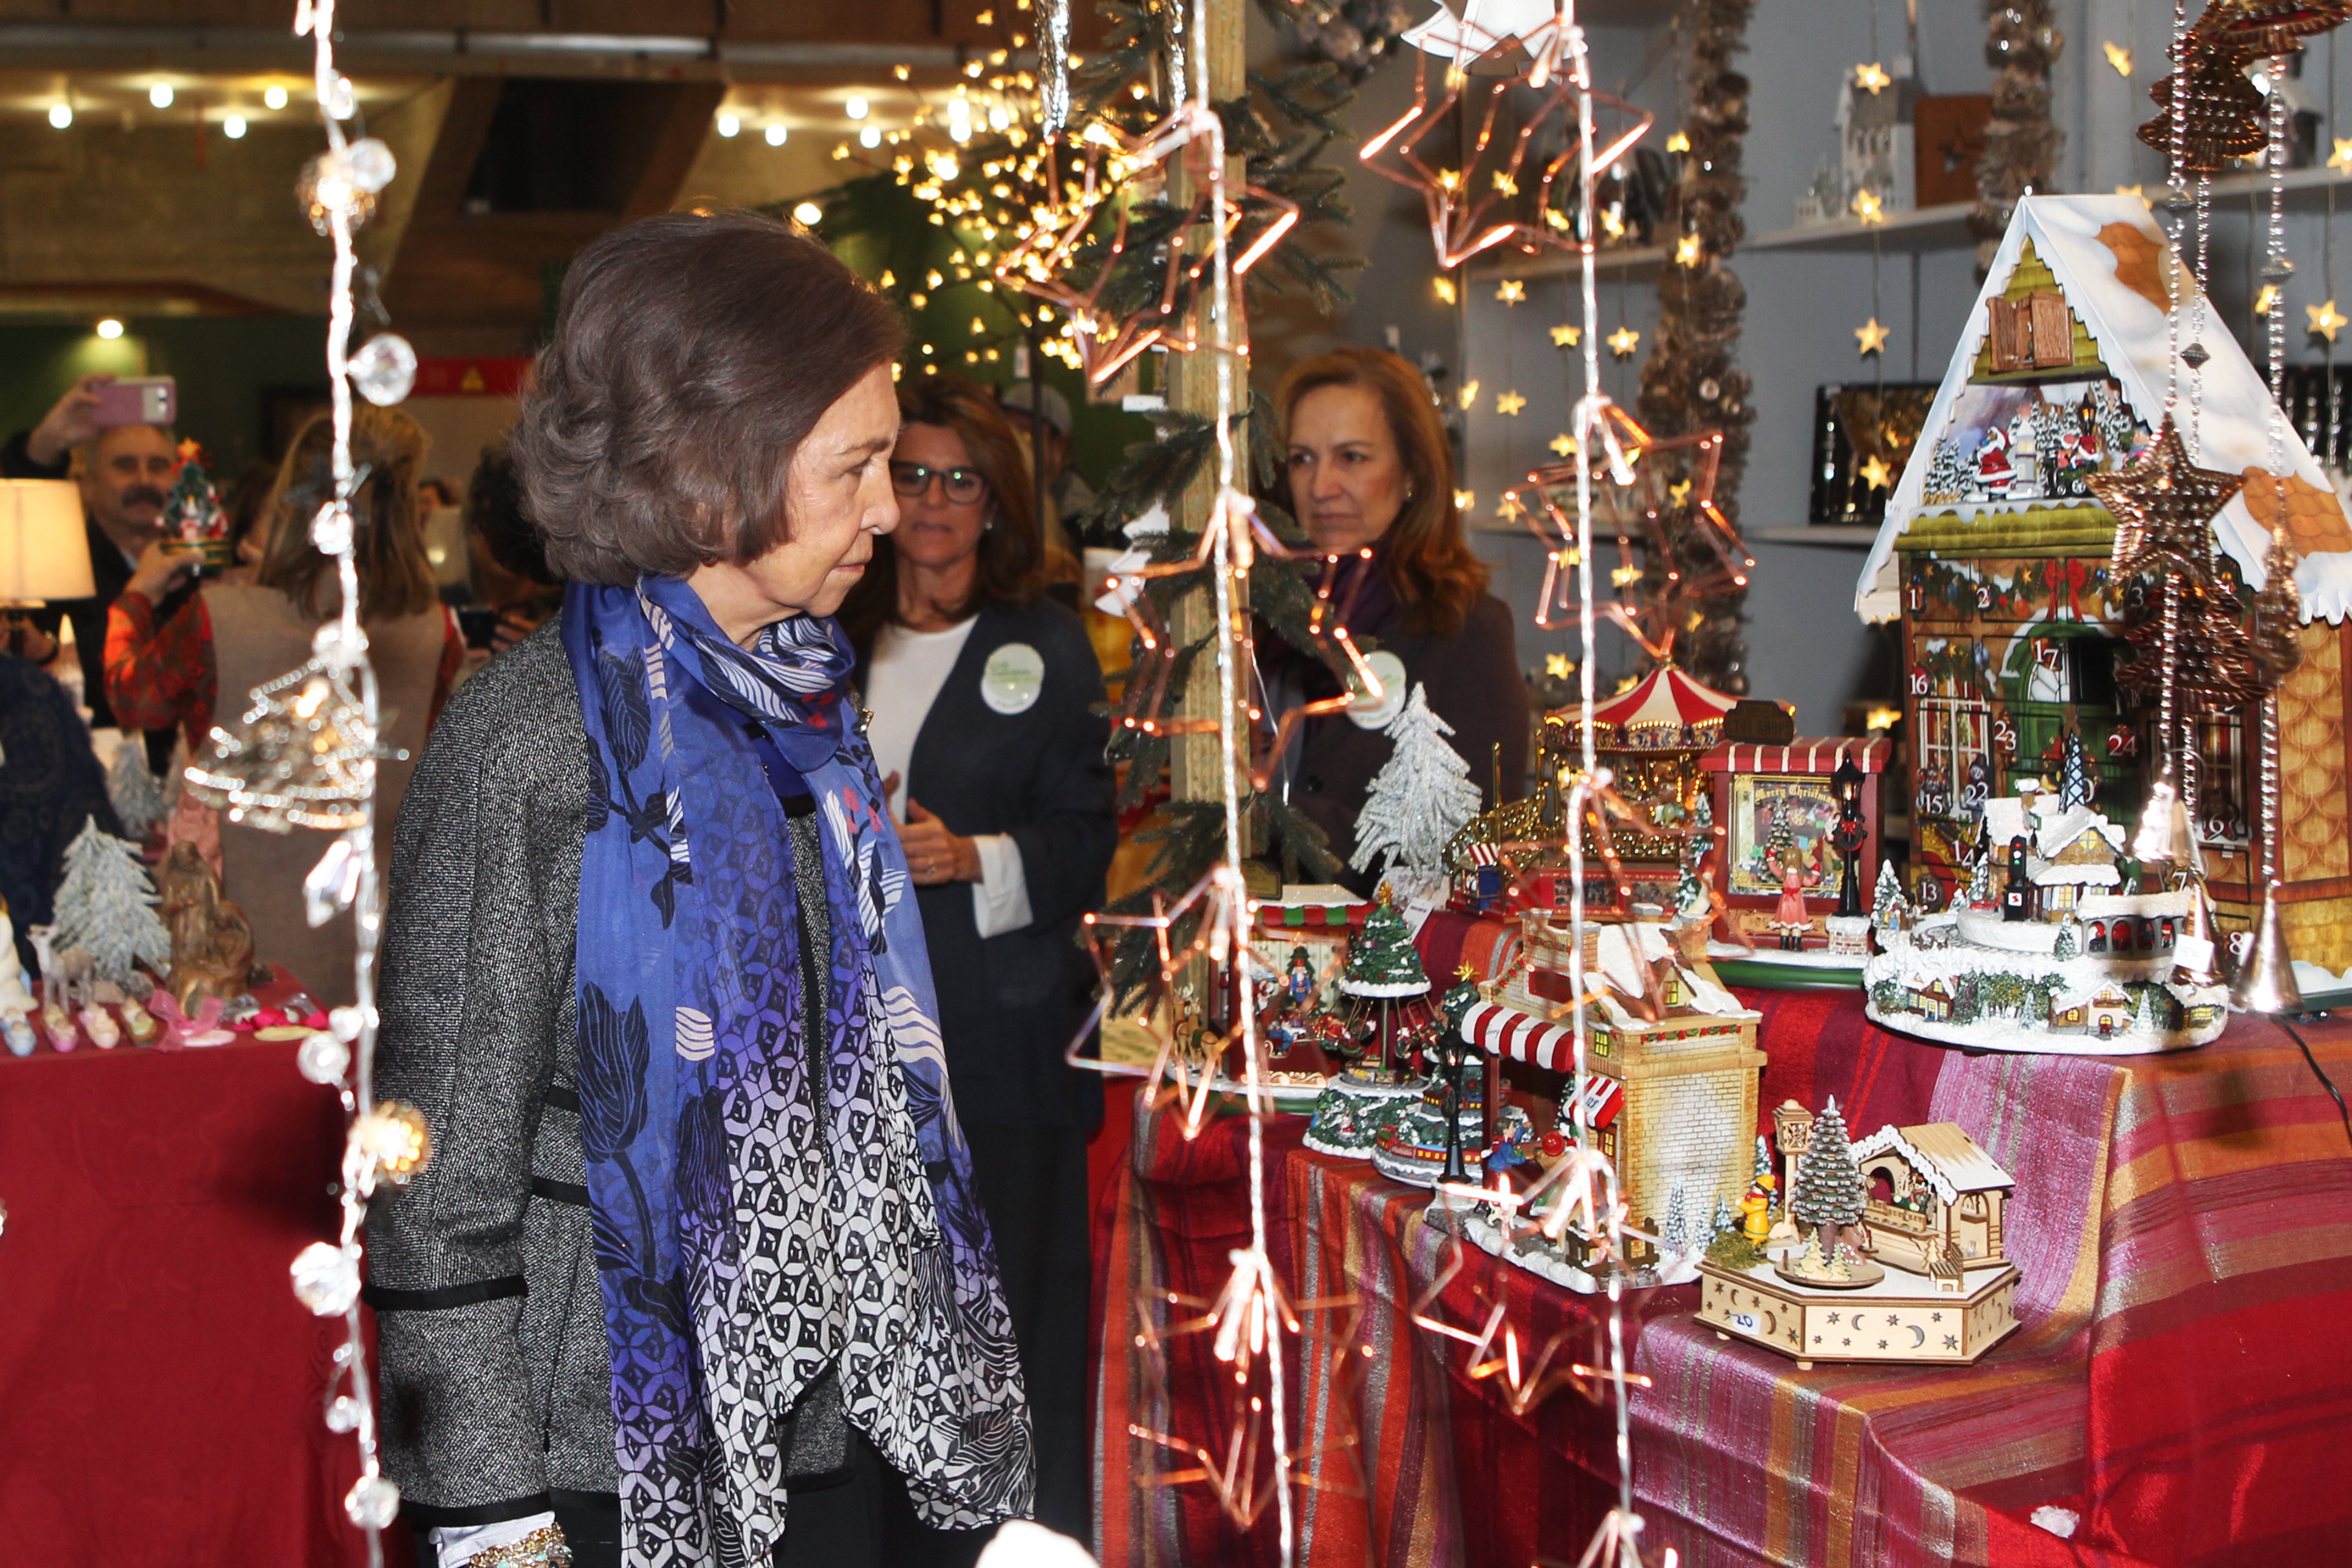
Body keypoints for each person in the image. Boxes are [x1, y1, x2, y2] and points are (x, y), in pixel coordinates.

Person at [369, 212, 1032, 1568]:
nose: (891, 511)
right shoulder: (531, 744)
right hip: (606, 1452)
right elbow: (439, 1186)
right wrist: (490, 1526)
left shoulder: (802, 700)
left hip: (831, 1426)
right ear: (708, 474)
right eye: (853, 468)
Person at [838, 374, 1114, 1541]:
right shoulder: (828, 631)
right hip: (847, 1045)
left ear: (997, 502)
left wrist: (971, 854)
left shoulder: (1043, 644)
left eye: (961, 478)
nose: (936, 499)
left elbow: (1087, 836)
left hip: (1000, 1050)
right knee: (877, 1329)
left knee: (1005, 1330)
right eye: (912, 473)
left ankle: (1011, 1543)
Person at [102, 405, 462, 1006]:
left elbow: (132, 699)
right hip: (381, 953)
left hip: (242, 952)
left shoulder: (222, 619)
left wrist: (137, 596)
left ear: (292, 505)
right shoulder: (437, 632)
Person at [1269, 346, 1528, 880]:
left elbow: (1472, 843)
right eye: (1303, 458)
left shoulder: (1466, 629)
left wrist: (1274, 819)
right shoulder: (1262, 620)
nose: (1321, 487)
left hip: (1398, 955)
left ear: (1412, 473)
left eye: (1352, 458)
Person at [2, 375, 185, 739]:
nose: (144, 479)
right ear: (88, 484)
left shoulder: (201, 567)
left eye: (159, 466)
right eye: (125, 465)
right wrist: (48, 443)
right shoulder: (56, 568)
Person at [995, 380, 1091, 553]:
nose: (1016, 446)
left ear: (1059, 447)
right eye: (1007, 433)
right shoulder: (994, 503)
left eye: (1027, 435)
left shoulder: (1084, 521)